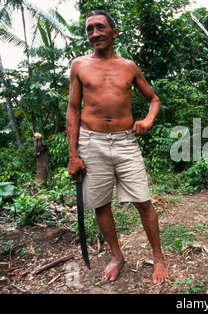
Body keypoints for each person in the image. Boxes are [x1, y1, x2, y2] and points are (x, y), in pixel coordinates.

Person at [66, 10, 168, 284]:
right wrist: (73, 155)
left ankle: (158, 257)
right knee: (101, 204)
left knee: (143, 202)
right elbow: (73, 111)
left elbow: (154, 99)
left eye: (100, 27)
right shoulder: (79, 65)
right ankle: (116, 255)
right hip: (91, 143)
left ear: (114, 32)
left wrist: (147, 120)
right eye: (89, 29)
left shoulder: (129, 67)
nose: (94, 33)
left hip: (125, 143)